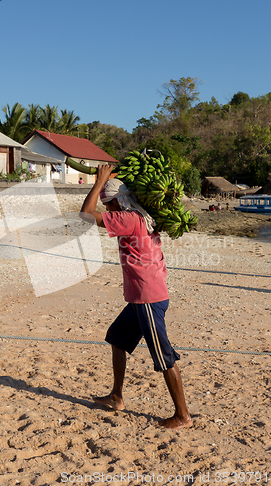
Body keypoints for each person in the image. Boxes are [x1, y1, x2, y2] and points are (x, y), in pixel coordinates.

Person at [80, 164, 192, 430]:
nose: (107, 209)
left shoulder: (128, 219)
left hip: (148, 299)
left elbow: (84, 216)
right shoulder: (141, 217)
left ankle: (183, 415)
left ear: (119, 201)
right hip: (141, 298)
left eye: (109, 204)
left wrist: (99, 182)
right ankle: (117, 396)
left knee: (164, 356)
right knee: (117, 338)